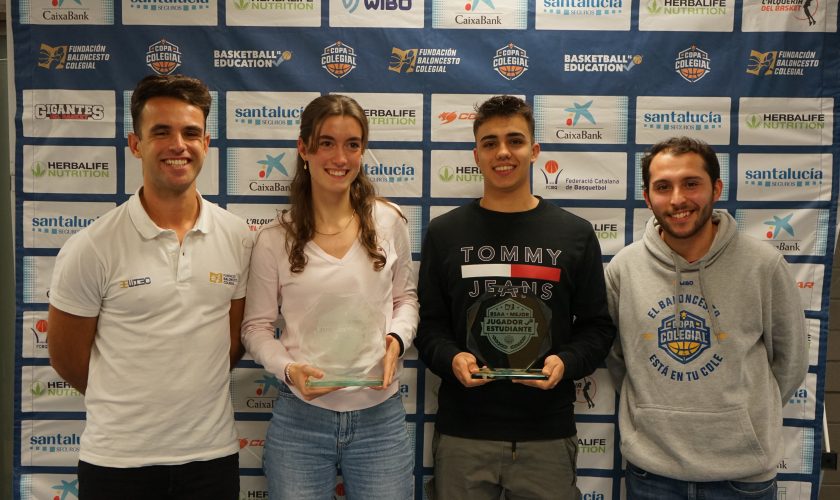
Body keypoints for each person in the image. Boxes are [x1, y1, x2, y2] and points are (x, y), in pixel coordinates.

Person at [48, 74, 251, 499]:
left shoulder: (238, 237)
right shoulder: (91, 246)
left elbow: (232, 343)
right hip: (117, 463)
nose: (178, 144)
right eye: (161, 132)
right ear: (135, 144)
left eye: (190, 133)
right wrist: (131, 397)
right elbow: (67, 358)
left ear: (206, 143)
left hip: (212, 460)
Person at [414, 95, 616, 500]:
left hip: (546, 433)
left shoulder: (574, 234)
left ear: (535, 151)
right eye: (490, 143)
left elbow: (597, 327)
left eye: (515, 140)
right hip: (464, 433)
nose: (502, 152)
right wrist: (451, 358)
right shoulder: (444, 232)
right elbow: (429, 324)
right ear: (476, 154)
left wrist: (566, 361)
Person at [605, 137, 808, 500]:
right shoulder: (624, 269)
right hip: (651, 473)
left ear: (715, 188)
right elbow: (620, 359)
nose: (678, 199)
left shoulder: (763, 265)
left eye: (691, 184)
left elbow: (790, 363)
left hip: (743, 478)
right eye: (663, 187)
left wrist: (742, 418)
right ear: (648, 197)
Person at [241, 95, 418, 500]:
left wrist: (396, 341)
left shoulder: (389, 222)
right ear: (303, 149)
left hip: (380, 417)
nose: (340, 157)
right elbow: (255, 329)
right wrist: (289, 370)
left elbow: (406, 300)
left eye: (352, 144)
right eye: (326, 143)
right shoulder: (274, 240)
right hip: (300, 421)